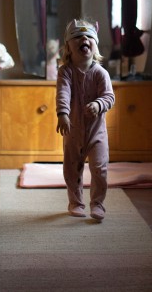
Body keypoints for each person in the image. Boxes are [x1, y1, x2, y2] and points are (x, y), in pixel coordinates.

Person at [55, 19, 115, 221]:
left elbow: (109, 97)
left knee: (100, 167)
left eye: (89, 36)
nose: (84, 39)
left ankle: (97, 203)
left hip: (96, 132)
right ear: (68, 48)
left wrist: (98, 105)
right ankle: (76, 202)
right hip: (73, 130)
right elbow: (63, 93)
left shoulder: (101, 73)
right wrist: (63, 114)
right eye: (78, 37)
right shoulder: (66, 72)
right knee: (72, 168)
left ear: (95, 44)